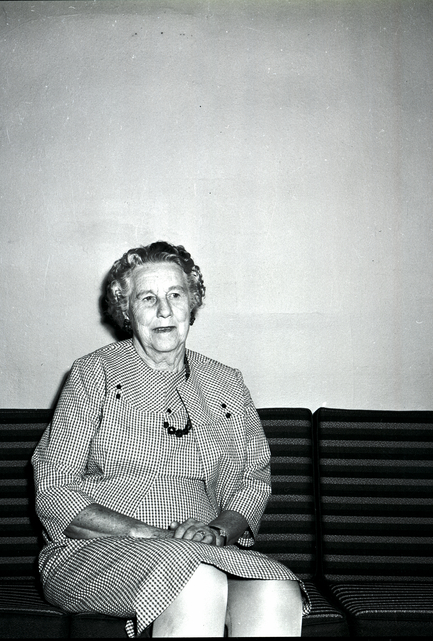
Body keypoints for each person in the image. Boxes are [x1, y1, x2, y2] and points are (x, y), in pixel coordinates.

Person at [32, 241, 307, 637]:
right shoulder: (94, 373)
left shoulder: (226, 383)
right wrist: (152, 534)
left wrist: (216, 532)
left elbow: (253, 480)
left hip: (207, 548)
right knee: (195, 579)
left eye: (175, 295)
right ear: (126, 310)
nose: (164, 310)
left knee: (276, 589)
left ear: (191, 304)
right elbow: (54, 486)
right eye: (147, 298)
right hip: (98, 549)